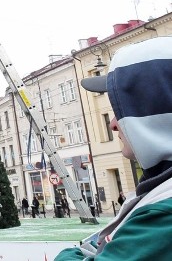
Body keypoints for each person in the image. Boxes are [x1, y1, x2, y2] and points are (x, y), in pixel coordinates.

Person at [55, 36, 172, 260]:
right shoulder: (159, 190)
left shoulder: (163, 215)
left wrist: (74, 253)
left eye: (122, 110)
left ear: (155, 111)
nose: (113, 124)